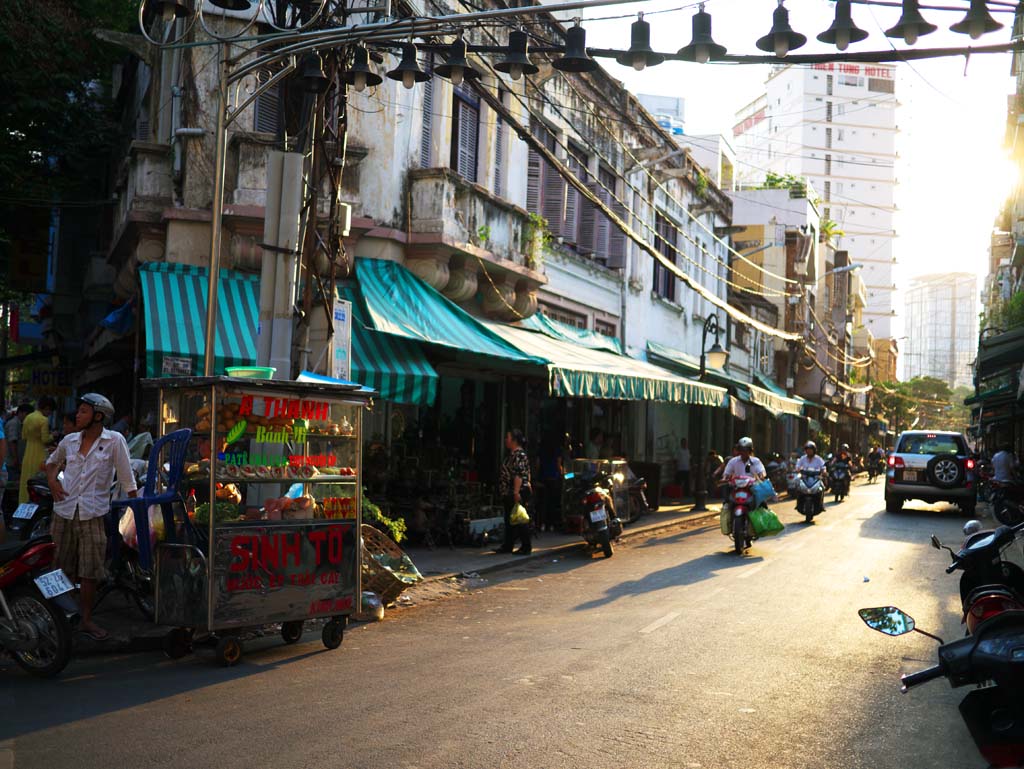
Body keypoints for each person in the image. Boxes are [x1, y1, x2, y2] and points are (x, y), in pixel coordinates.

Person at [45, 393, 139, 641]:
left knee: (90, 571)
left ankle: (86, 619)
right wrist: (53, 482)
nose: (78, 415)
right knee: (58, 568)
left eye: (84, 411)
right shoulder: (69, 440)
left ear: (98, 416)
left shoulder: (114, 441)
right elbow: (52, 463)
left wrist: (138, 512)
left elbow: (128, 478)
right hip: (63, 511)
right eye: (79, 411)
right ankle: (59, 618)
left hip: (93, 515)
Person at [497, 428, 532, 555]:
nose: (506, 440)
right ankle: (508, 545)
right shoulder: (513, 455)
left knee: (519, 519)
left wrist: (516, 492)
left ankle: (526, 546)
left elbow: (519, 475)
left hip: (516, 491)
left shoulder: (519, 455)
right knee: (510, 519)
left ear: (514, 440)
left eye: (508, 437)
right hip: (510, 492)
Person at [18, 396, 55, 504]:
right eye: (50, 410)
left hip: (28, 452)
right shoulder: (43, 420)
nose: (50, 413)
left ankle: (23, 502)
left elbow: (24, 436)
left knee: (25, 479)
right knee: (36, 479)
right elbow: (45, 439)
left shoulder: (28, 417)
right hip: (39, 452)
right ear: (47, 408)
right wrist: (53, 435)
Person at [4, 402, 31, 475]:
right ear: (21, 413)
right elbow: (12, 442)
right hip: (11, 461)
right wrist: (15, 459)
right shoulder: (14, 424)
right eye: (27, 415)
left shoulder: (20, 424)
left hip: (15, 460)